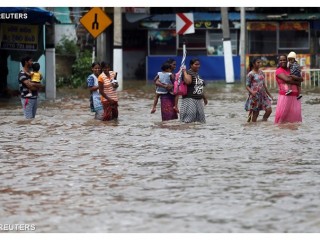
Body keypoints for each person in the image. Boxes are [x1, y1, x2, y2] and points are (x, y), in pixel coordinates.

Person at [274, 54, 304, 124]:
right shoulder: (278, 71)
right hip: (285, 96)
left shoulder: (291, 69)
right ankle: (281, 132)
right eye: (281, 60)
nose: (283, 61)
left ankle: (293, 134)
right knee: (282, 117)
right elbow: (287, 80)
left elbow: (301, 79)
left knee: (295, 119)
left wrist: (298, 80)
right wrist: (297, 83)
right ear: (278, 61)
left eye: (284, 60)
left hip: (295, 96)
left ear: (287, 61)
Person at [245, 57, 273, 122]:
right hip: (255, 96)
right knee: (255, 114)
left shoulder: (261, 73)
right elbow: (247, 86)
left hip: (263, 95)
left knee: (269, 110)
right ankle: (254, 128)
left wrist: (270, 95)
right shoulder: (250, 74)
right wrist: (252, 92)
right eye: (258, 62)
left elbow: (264, 85)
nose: (260, 64)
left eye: (260, 62)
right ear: (253, 64)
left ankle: (263, 122)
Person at [179, 58, 208, 123]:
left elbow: (198, 88)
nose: (198, 66)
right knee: (189, 120)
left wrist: (204, 98)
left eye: (199, 64)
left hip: (198, 100)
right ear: (191, 65)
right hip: (190, 99)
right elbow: (188, 82)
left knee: (200, 121)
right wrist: (184, 71)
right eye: (196, 64)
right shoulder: (188, 72)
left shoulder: (196, 74)